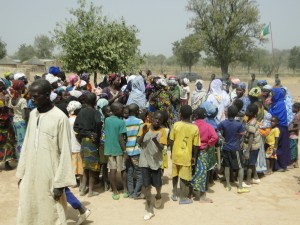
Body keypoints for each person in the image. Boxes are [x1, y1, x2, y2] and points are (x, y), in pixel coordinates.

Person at [16, 79, 76, 225]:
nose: (32, 100)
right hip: (30, 173)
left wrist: (60, 183)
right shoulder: (33, 114)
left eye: (36, 96)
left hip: (50, 175)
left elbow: (65, 152)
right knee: (29, 210)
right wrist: (22, 173)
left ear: (48, 94)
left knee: (51, 214)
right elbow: (27, 145)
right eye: (31, 96)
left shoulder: (60, 118)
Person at [137, 111, 167, 220]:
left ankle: (158, 195)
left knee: (157, 184)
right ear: (151, 118)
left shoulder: (162, 131)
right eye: (155, 118)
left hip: (156, 162)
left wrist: (155, 141)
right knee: (147, 185)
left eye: (160, 120)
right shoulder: (145, 127)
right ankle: (150, 209)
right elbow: (138, 141)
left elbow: (162, 148)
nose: (157, 121)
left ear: (162, 122)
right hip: (144, 160)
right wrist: (144, 134)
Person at [170, 105, 200, 204]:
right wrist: (194, 157)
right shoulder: (195, 128)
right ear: (191, 115)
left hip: (176, 154)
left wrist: (171, 152)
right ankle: (182, 198)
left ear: (180, 114)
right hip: (186, 156)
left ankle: (174, 194)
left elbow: (171, 140)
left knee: (175, 174)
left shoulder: (176, 124)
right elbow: (196, 145)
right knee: (183, 176)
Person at [74, 93, 102, 197]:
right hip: (92, 141)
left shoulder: (81, 112)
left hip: (83, 141)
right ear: (95, 102)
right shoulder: (96, 112)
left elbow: (76, 128)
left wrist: (85, 133)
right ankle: (90, 191)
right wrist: (95, 135)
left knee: (85, 166)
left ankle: (82, 190)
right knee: (92, 168)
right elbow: (99, 124)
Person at [217, 105, 249, 193]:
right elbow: (242, 135)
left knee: (227, 166)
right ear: (236, 114)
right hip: (236, 148)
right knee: (240, 167)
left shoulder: (223, 123)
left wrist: (221, 138)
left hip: (226, 148)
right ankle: (240, 186)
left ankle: (227, 185)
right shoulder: (239, 124)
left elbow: (216, 129)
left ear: (227, 114)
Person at [191, 107, 218, 203]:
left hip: (191, 152)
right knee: (202, 173)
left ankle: (191, 193)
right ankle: (202, 196)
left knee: (192, 171)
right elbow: (215, 137)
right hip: (202, 151)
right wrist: (208, 146)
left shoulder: (192, 125)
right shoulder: (208, 126)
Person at [104, 102, 128, 200]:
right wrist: (125, 150)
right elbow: (120, 138)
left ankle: (114, 191)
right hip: (118, 149)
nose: (123, 111)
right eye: (122, 109)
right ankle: (125, 189)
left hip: (109, 149)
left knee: (112, 170)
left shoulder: (107, 120)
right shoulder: (121, 122)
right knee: (122, 170)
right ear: (117, 111)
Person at [125, 103, 144, 199]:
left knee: (129, 172)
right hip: (136, 151)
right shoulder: (140, 121)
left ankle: (131, 192)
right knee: (140, 173)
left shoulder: (124, 122)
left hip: (127, 152)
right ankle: (137, 193)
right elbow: (140, 137)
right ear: (137, 112)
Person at [268, 88, 290, 171]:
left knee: (280, 146)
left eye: (273, 94)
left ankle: (282, 165)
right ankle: (276, 165)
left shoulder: (280, 104)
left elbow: (276, 116)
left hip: (281, 126)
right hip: (277, 126)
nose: (272, 95)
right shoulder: (276, 103)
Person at [8, 80, 28, 160]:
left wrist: (16, 115)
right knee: (23, 141)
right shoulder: (23, 101)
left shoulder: (11, 100)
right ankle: (23, 159)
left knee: (18, 141)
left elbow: (10, 112)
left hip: (15, 122)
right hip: (22, 123)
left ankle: (19, 158)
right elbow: (24, 116)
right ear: (21, 89)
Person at [67, 101, 83, 188]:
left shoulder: (67, 119)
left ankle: (73, 181)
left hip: (70, 145)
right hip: (77, 145)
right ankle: (81, 181)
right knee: (79, 165)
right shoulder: (77, 119)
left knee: (72, 164)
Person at [243, 104, 261, 186]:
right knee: (252, 162)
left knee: (250, 164)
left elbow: (251, 137)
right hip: (255, 146)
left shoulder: (251, 123)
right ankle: (256, 178)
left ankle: (248, 181)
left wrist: (247, 151)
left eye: (247, 110)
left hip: (252, 147)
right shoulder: (252, 120)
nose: (245, 111)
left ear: (251, 113)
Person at [289, 103, 300, 168]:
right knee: (294, 149)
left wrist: (290, 129)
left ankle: (292, 163)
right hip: (293, 135)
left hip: (293, 135)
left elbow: (298, 127)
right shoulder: (296, 115)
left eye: (293, 108)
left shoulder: (297, 116)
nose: (292, 109)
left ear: (296, 109)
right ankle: (296, 163)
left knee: (292, 149)